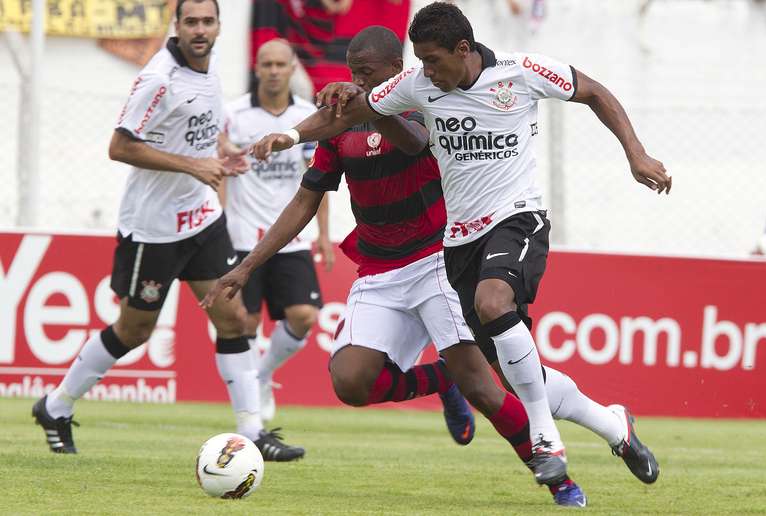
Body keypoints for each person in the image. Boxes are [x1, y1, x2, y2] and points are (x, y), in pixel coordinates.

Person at [225, 1, 672, 489]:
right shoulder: (415, 84)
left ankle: (549, 451)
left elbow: (591, 91)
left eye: (432, 60)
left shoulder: (518, 72)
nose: (427, 71)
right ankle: (613, 425)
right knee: (510, 373)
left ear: (462, 49)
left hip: (507, 221)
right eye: (421, 61)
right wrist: (290, 135)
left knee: (493, 315)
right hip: (455, 244)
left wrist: (637, 154)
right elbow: (348, 116)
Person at [31, 0, 304, 462]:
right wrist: (192, 165)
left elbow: (203, 126)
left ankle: (253, 431)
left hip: (200, 219)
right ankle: (55, 406)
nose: (200, 30)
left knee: (233, 318)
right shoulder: (158, 79)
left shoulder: (214, 63)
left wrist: (224, 152)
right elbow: (120, 146)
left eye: (208, 21)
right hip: (154, 228)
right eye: (191, 22)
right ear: (176, 26)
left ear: (218, 26)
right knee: (135, 330)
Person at [217, 39, 335, 430]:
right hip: (241, 235)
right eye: (265, 63)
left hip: (290, 237)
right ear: (257, 67)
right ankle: (251, 401)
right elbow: (222, 171)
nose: (272, 70)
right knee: (245, 323)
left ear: (291, 67)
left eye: (279, 64)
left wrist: (323, 233)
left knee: (304, 316)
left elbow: (317, 179)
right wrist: (219, 219)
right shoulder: (233, 114)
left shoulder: (307, 117)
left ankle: (262, 377)